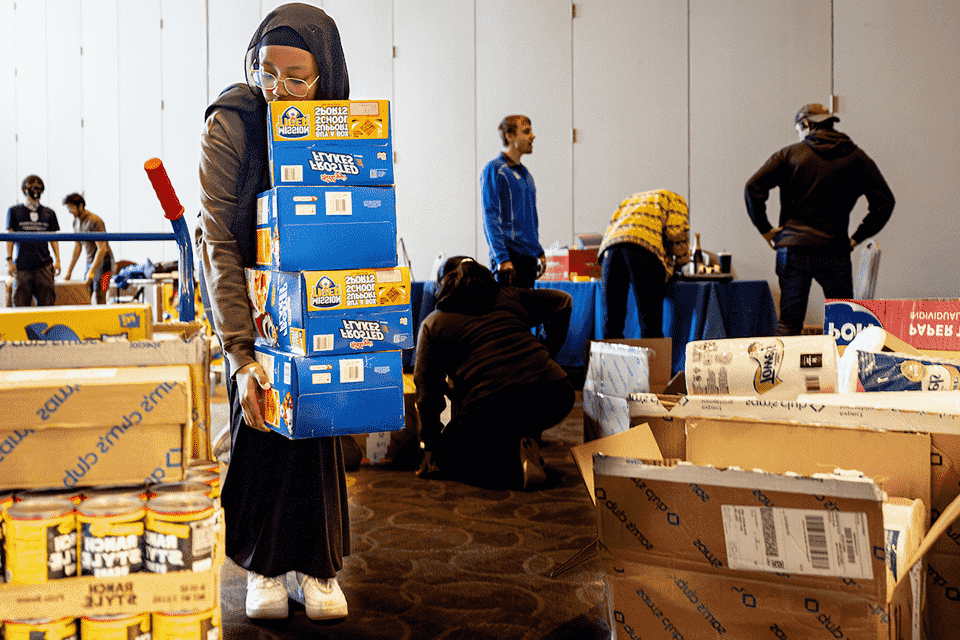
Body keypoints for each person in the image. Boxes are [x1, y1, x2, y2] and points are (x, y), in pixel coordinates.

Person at [194, 3, 351, 621]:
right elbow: (218, 242)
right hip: (253, 312)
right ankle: (263, 566)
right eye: (268, 72)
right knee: (260, 420)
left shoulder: (341, 126)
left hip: (320, 311)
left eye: (297, 78)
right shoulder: (232, 124)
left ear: (327, 76)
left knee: (318, 432)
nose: (280, 90)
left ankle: (319, 566)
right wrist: (239, 350)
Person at [414, 256, 575, 491]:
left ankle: (514, 469)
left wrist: (429, 445)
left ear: (441, 286)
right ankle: (523, 442)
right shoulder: (510, 296)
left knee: (447, 456)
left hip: (491, 404)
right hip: (554, 392)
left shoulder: (433, 323)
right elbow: (564, 301)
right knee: (507, 412)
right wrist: (546, 353)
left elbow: (427, 390)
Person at [746, 103, 895, 336]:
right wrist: (856, 238)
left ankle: (785, 373)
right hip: (835, 250)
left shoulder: (790, 155)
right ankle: (844, 372)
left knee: (789, 324)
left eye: (799, 131)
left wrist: (765, 228)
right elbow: (885, 202)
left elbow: (752, 187)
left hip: (793, 250)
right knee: (844, 323)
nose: (800, 137)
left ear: (806, 124)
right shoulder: (857, 158)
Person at [598, 189, 690, 339]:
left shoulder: (630, 199)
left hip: (610, 248)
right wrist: (682, 261)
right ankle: (654, 362)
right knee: (650, 324)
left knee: (612, 325)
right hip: (643, 249)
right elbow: (676, 234)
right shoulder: (676, 200)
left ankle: (612, 362)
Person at [481, 115, 546, 288]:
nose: (533, 136)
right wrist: (501, 257)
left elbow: (531, 218)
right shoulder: (495, 169)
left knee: (527, 314)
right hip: (509, 259)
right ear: (510, 136)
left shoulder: (526, 175)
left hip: (528, 259)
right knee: (509, 313)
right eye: (526, 132)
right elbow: (490, 215)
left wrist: (538, 251)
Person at [6, 175, 60, 307]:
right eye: (31, 186)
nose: (35, 190)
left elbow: (54, 239)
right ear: (24, 189)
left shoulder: (49, 213)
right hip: (23, 266)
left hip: (44, 265)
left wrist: (58, 260)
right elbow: (10, 237)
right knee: (20, 305)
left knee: (47, 304)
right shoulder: (14, 211)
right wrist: (9, 260)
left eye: (38, 186)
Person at [63, 193, 113, 305]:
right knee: (85, 293)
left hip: (105, 263)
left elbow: (102, 248)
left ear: (80, 206)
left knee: (101, 294)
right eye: (68, 208)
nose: (70, 211)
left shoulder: (95, 220)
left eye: (72, 208)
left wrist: (91, 272)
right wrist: (69, 271)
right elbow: (78, 246)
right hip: (90, 262)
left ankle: (103, 321)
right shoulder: (76, 222)